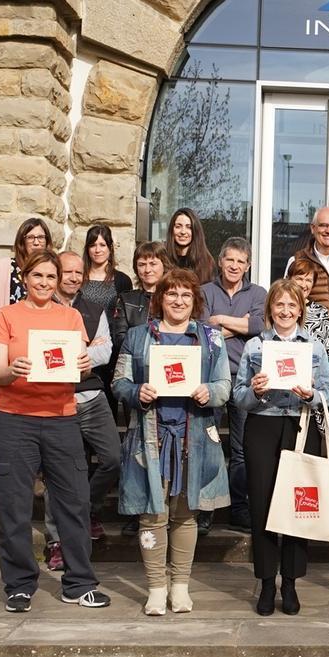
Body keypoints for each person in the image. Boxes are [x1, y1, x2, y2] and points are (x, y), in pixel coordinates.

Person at [0, 249, 110, 612]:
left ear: (59, 282)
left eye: (50, 277)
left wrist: (85, 366)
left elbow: (77, 368)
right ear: (25, 278)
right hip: (14, 420)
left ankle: (79, 583)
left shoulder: (70, 317)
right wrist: (13, 369)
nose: (44, 283)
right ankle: (20, 584)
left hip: (61, 418)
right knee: (15, 505)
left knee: (74, 502)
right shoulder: (6, 316)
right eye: (37, 276)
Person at [112, 269, 231, 616]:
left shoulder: (211, 338)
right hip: (150, 438)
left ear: (194, 302)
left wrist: (209, 391)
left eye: (186, 295)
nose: (178, 301)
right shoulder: (137, 337)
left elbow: (224, 384)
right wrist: (137, 392)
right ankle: (155, 587)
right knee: (152, 515)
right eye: (171, 294)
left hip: (193, 439)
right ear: (159, 299)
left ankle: (180, 586)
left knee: (185, 514)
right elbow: (119, 382)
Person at [232, 278, 329, 616]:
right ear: (270, 310)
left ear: (300, 310)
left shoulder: (314, 347)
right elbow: (239, 396)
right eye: (280, 305)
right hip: (262, 426)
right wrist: (256, 391)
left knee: (297, 507)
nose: (286, 311)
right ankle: (265, 582)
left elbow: (328, 392)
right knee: (261, 505)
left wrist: (311, 395)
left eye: (292, 305)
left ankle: (289, 582)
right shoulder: (255, 347)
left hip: (300, 425)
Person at [40, 252, 122, 572]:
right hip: (58, 400)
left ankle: (86, 510)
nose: (73, 277)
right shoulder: (46, 308)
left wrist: (79, 354)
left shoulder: (92, 306)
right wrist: (83, 353)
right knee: (57, 473)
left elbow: (105, 349)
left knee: (113, 458)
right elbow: (44, 351)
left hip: (92, 396)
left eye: (79, 272)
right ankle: (57, 541)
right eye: (67, 272)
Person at [201, 237, 267, 535]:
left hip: (244, 379)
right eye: (230, 260)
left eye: (241, 262)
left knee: (241, 451)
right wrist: (237, 325)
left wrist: (221, 321)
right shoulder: (205, 291)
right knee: (208, 446)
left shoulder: (258, 293)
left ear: (248, 265)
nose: (235, 266)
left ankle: (239, 509)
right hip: (212, 379)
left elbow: (259, 326)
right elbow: (201, 329)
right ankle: (204, 509)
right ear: (220, 260)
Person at [110, 240, 173, 538]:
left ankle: (166, 507)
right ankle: (137, 510)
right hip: (136, 380)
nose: (147, 268)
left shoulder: (174, 295)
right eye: (142, 263)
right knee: (134, 448)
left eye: (153, 263)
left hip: (172, 381)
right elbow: (121, 337)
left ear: (164, 266)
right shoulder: (127, 299)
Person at [285, 257, 329, 354]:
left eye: (308, 280)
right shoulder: (281, 310)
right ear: (288, 279)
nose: (303, 285)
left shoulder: (321, 312)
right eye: (299, 279)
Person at [79, 224, 133, 315]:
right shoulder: (78, 276)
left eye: (102, 245)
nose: (97, 250)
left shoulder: (122, 280)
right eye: (92, 245)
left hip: (110, 328)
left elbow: (127, 314)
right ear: (87, 249)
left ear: (110, 248)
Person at [164, 208, 215, 284]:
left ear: (195, 231)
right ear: (172, 230)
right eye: (178, 226)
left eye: (189, 227)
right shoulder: (163, 258)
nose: (183, 232)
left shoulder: (207, 263)